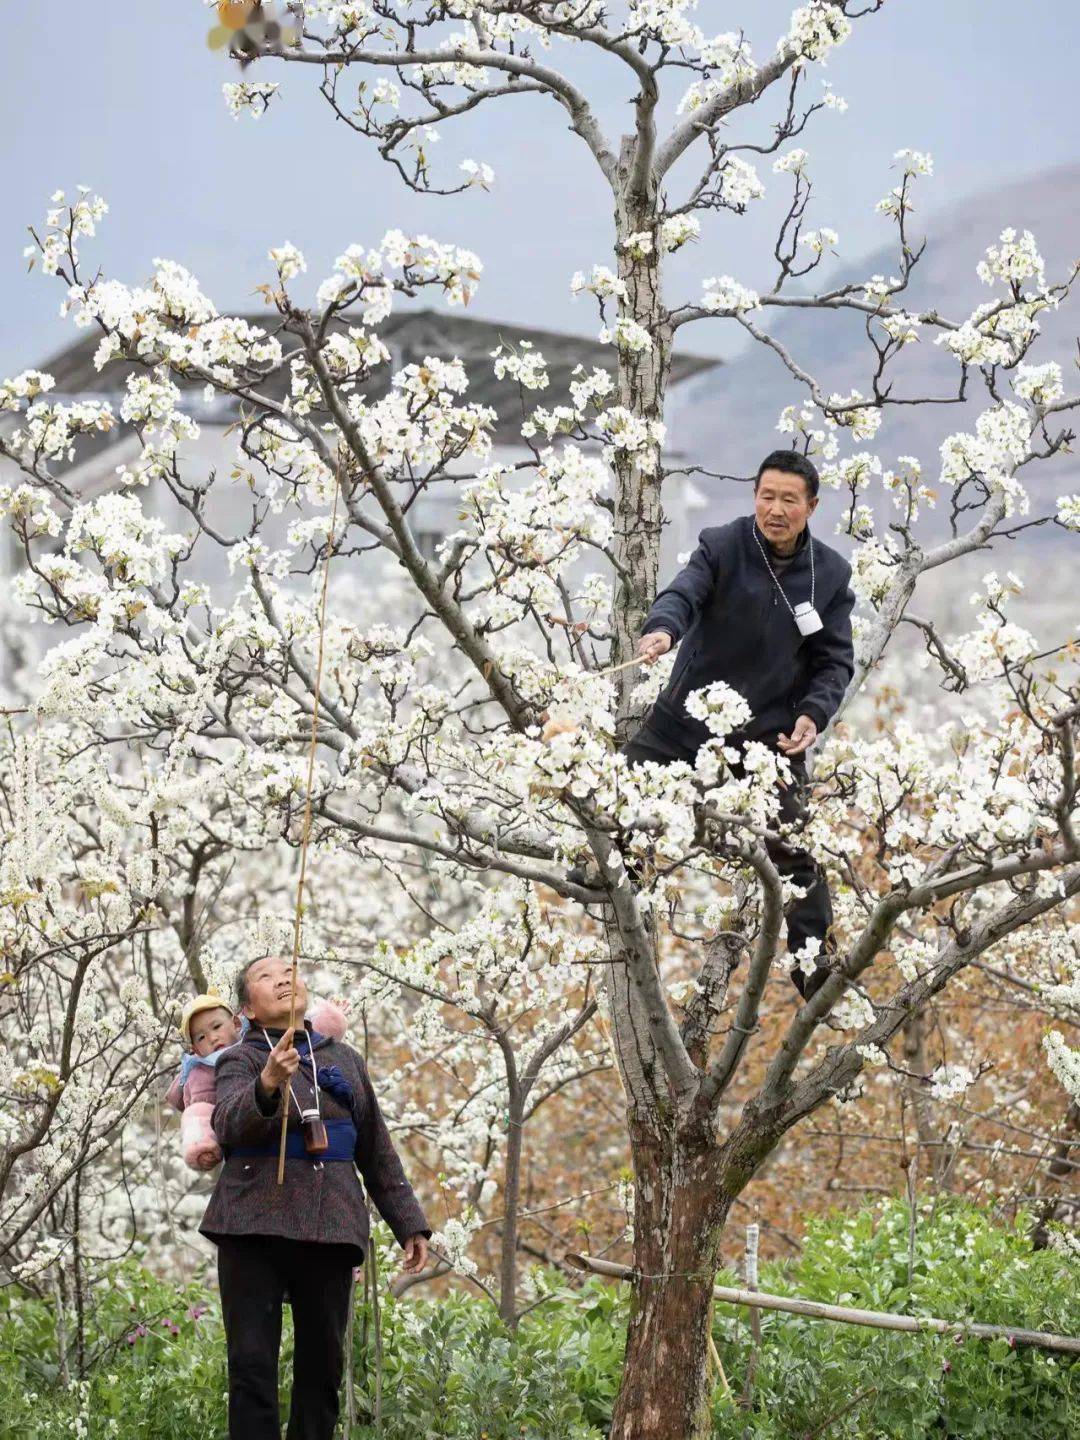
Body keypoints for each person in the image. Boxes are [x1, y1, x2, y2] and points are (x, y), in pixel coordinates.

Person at [584, 449, 855, 1001]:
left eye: (789, 500)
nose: (775, 509)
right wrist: (663, 630)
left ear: (811, 506)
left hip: (767, 740)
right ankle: (619, 882)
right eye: (766, 495)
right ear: (754, 495)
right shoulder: (723, 544)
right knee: (619, 794)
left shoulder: (829, 574)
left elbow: (834, 660)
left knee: (797, 853)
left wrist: (813, 713)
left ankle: (814, 971)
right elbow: (684, 592)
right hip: (685, 719)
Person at [199, 954, 431, 1440]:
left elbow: (376, 1150)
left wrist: (409, 1223)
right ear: (248, 1010)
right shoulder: (240, 1058)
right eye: (266, 976)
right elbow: (225, 1125)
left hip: (329, 1222)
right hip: (250, 1225)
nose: (283, 978)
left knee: (323, 1368)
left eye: (289, 972)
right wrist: (267, 1082)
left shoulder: (344, 1059)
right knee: (251, 1365)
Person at [164, 987, 347, 1172]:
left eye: (217, 1027)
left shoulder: (257, 1040)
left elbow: (297, 1034)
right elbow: (200, 1112)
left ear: (236, 1022)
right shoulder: (201, 1072)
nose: (212, 1037)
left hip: (288, 1113)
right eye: (201, 1037)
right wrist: (202, 1144)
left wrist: (328, 1019)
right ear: (195, 1049)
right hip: (244, 1137)